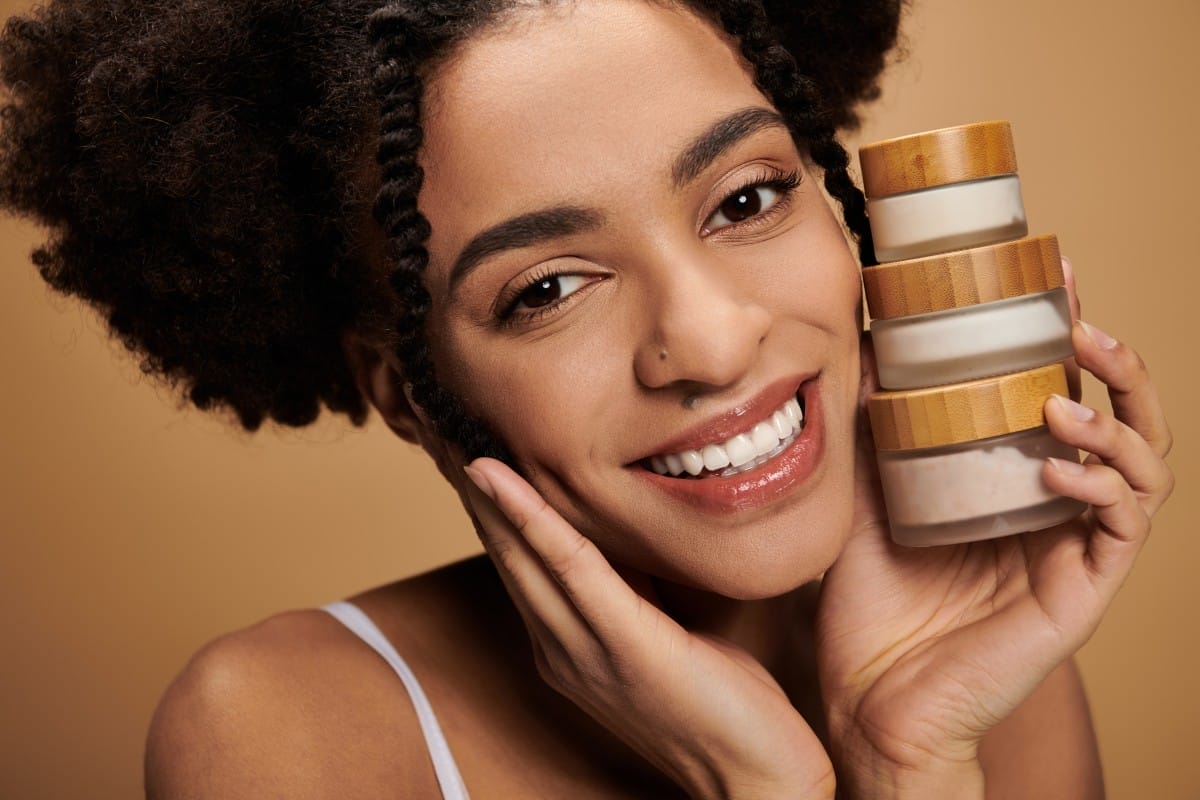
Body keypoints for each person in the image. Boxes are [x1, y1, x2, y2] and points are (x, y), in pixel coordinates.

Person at [0, 0, 1173, 796]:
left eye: (749, 199)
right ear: (406, 391)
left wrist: (908, 759)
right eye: (548, 286)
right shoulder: (283, 731)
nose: (710, 340)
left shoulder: (985, 674)